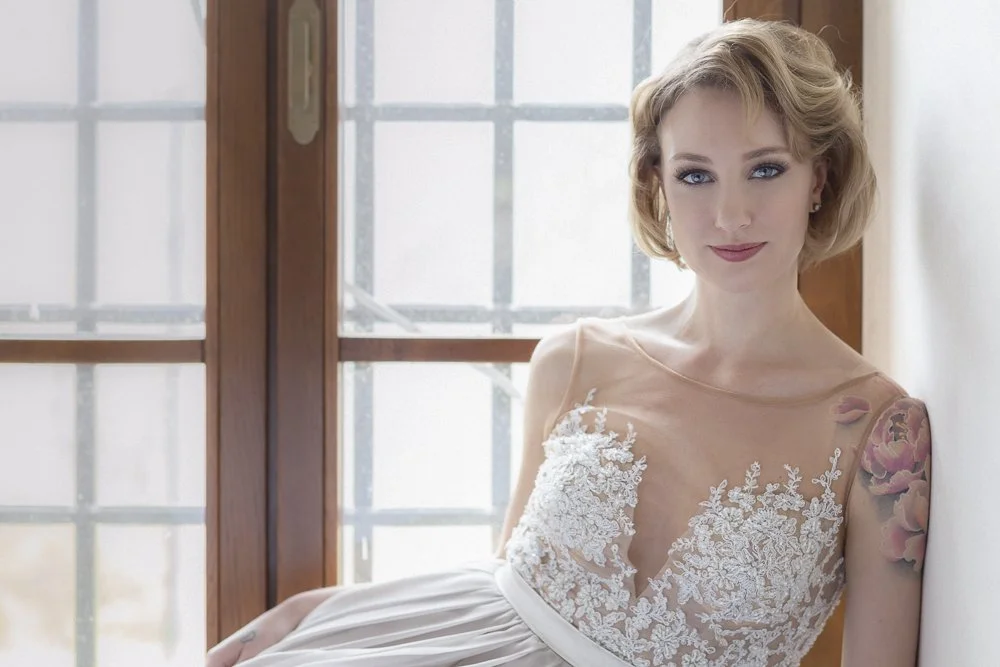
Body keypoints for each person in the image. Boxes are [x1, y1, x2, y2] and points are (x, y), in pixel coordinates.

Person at [207, 18, 931, 667]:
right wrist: (319, 612)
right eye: (694, 175)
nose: (731, 213)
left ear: (819, 178)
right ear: (658, 188)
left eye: (765, 169)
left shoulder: (878, 432)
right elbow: (506, 594)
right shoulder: (576, 360)